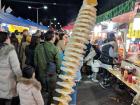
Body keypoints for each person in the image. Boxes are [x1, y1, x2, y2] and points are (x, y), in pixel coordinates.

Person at [34, 30, 61, 105]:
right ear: (52, 38)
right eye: (54, 36)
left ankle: (40, 102)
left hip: (41, 73)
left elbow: (35, 61)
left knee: (42, 89)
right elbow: (58, 62)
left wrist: (38, 69)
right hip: (51, 73)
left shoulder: (38, 46)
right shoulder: (55, 48)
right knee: (51, 92)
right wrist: (58, 71)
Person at [0, 32, 22, 105]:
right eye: (8, 37)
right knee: (15, 97)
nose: (9, 39)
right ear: (5, 39)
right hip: (7, 81)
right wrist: (20, 79)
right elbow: (16, 68)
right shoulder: (10, 50)